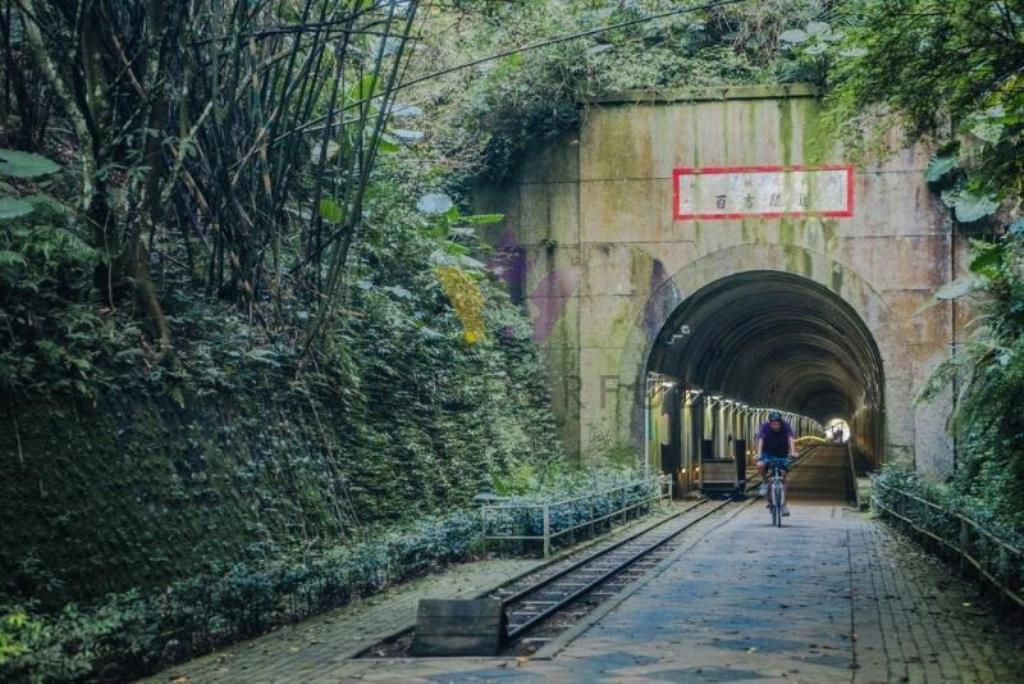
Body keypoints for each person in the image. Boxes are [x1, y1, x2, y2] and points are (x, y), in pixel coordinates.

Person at [755, 411, 798, 516]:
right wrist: (759, 454)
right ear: (770, 423)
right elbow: (760, 439)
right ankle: (765, 482)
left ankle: (784, 506)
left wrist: (792, 451)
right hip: (767, 452)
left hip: (782, 453)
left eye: (778, 424)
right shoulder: (764, 426)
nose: (776, 426)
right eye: (773, 424)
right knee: (760, 465)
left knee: (783, 478)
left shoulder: (786, 426)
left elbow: (790, 438)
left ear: (781, 422)